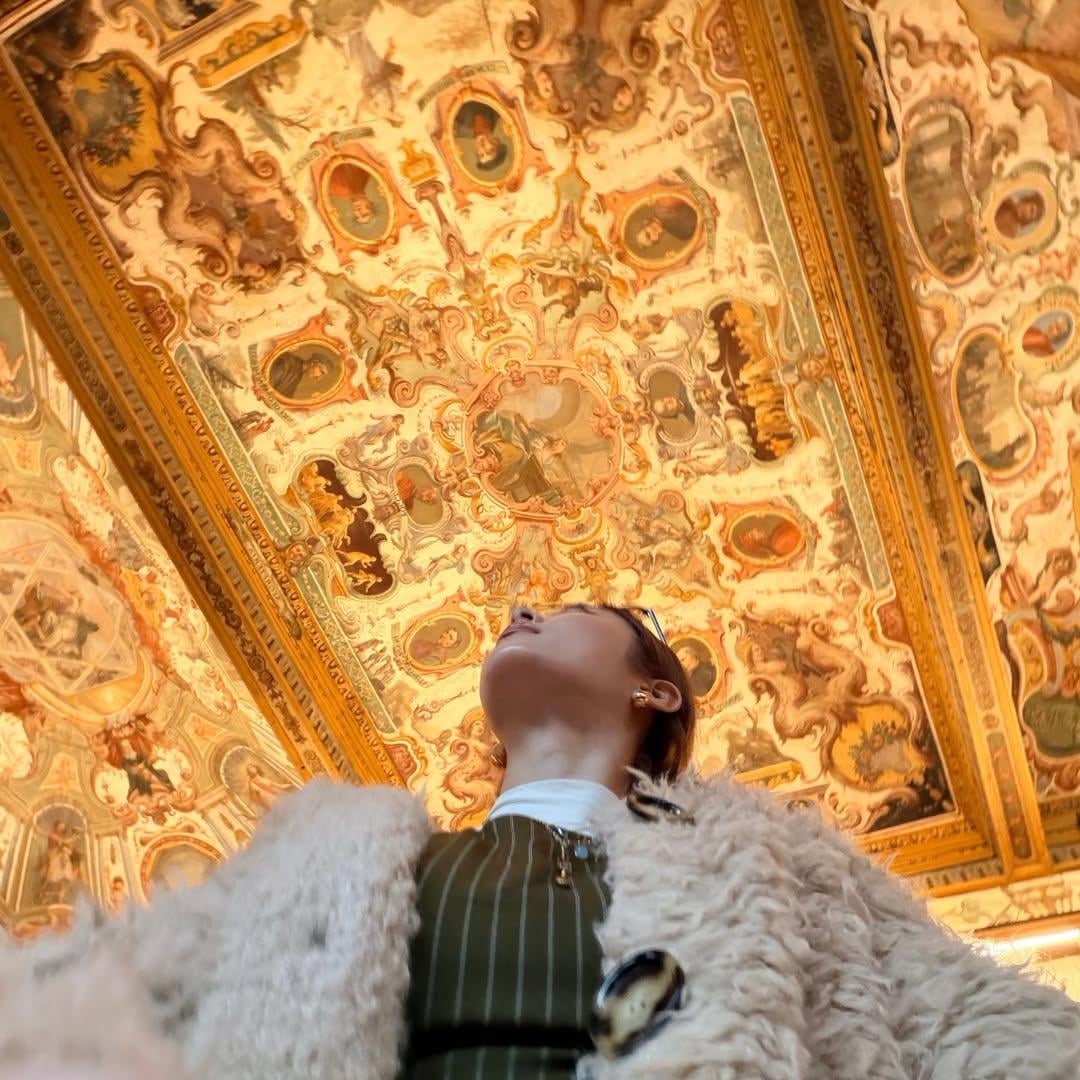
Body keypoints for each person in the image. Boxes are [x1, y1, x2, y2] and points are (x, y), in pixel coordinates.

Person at [2, 605, 1079, 1080]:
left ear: (656, 689)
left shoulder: (780, 869)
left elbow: (979, 1035)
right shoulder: (329, 856)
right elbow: (103, 1005)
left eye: (571, 609)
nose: (522, 605)